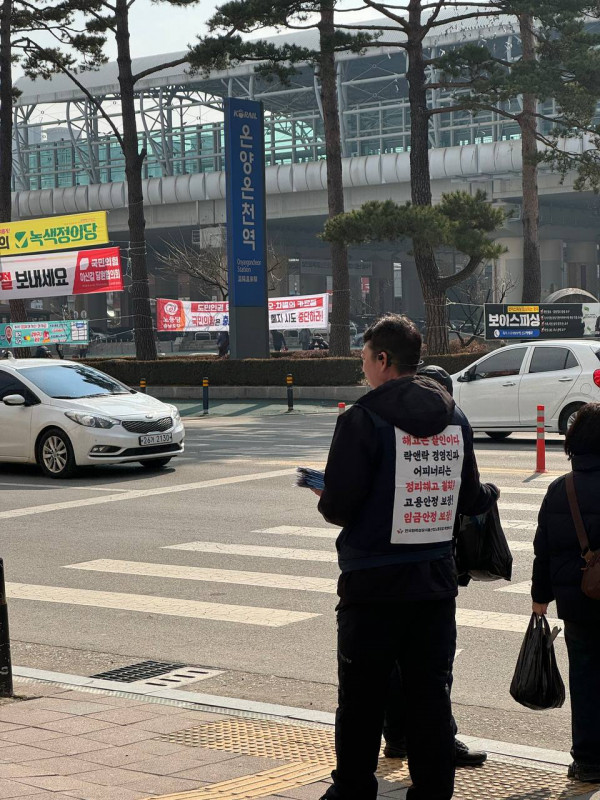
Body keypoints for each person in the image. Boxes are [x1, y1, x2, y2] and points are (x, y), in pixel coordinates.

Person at [314, 314, 498, 800]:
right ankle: (434, 790)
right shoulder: (455, 417)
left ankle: (353, 789)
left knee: (361, 698)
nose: (363, 369)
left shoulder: (361, 418)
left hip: (372, 583)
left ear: (382, 360)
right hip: (434, 581)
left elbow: (338, 507)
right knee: (429, 697)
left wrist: (327, 492)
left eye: (364, 358)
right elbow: (469, 495)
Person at [382, 363, 487, 768]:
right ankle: (441, 743)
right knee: (433, 670)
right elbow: (474, 498)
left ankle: (397, 738)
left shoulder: (379, 422)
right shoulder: (453, 428)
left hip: (385, 572)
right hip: (432, 571)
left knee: (391, 663)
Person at [531, 402, 600, 784]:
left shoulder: (561, 490)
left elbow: (545, 549)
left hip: (578, 602)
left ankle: (588, 761)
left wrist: (540, 597)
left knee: (586, 678)